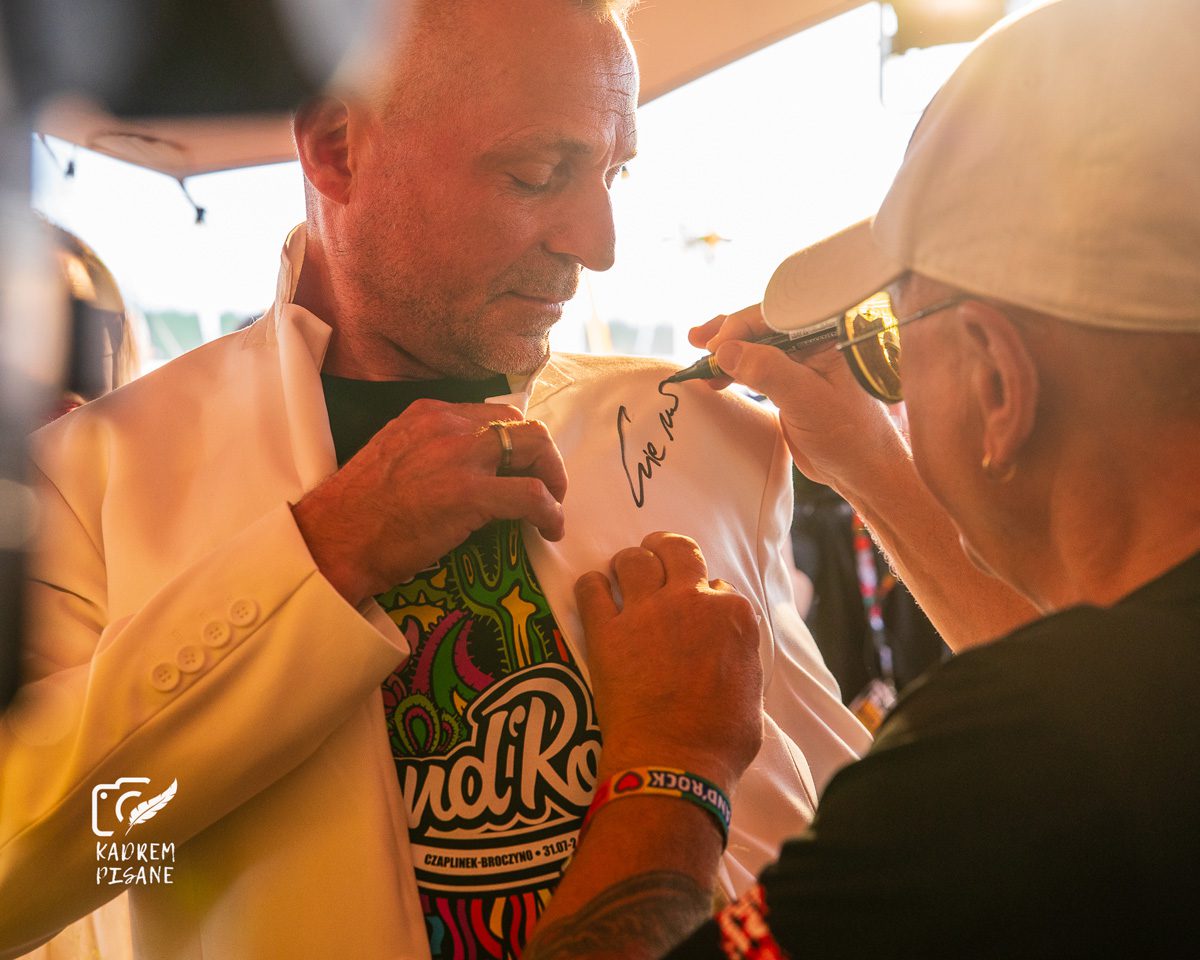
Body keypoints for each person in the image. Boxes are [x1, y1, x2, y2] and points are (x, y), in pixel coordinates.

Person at [0, 2, 870, 959]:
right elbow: (30, 885)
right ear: (337, 149)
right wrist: (326, 551)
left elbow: (836, 827)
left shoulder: (707, 436)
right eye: (537, 173)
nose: (600, 243)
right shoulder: (94, 481)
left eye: (612, 171)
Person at [516, 0, 1200, 955]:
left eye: (891, 341)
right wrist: (871, 464)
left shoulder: (1020, 761)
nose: (890, 384)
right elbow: (1113, 699)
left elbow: (1077, 733)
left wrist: (673, 758)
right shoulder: (1121, 710)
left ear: (998, 381)